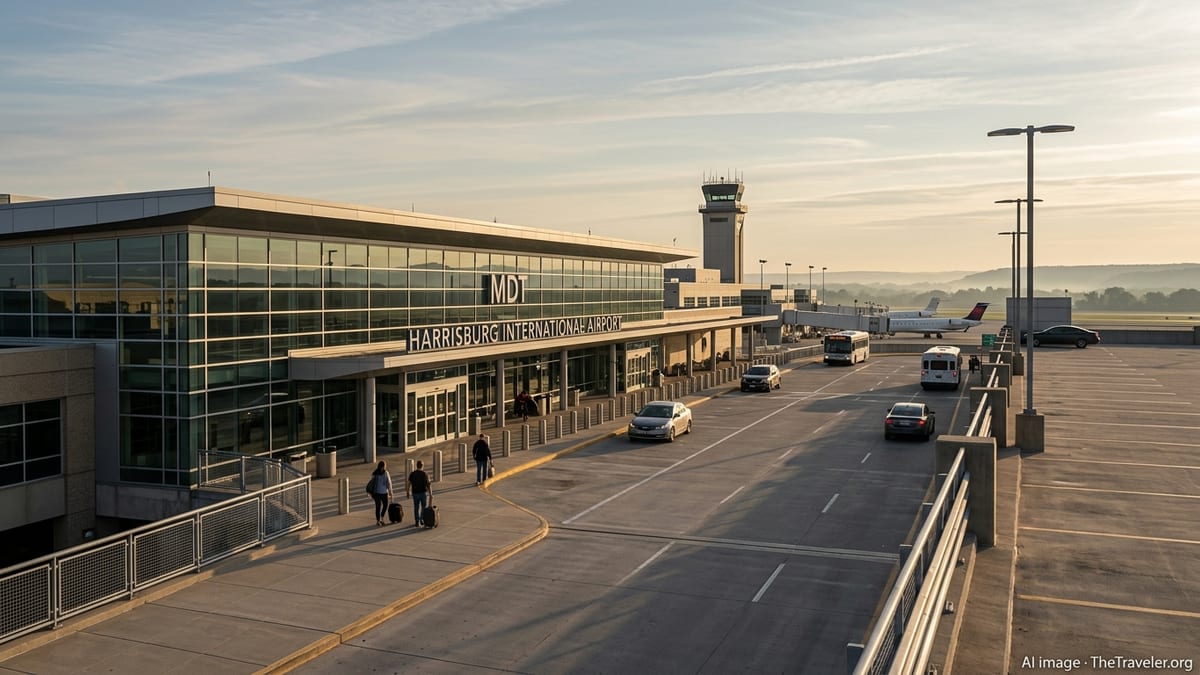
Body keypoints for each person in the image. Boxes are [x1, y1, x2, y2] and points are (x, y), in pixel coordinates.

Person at [368, 460, 392, 526]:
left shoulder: (375, 473)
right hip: (380, 493)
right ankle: (380, 519)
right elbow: (388, 483)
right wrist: (390, 492)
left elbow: (388, 483)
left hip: (379, 493)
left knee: (382, 506)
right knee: (380, 506)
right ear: (383, 466)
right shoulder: (381, 473)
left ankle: (380, 519)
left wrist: (390, 491)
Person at [408, 460, 431, 528]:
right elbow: (428, 485)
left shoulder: (412, 474)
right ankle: (421, 519)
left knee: (416, 507)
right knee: (423, 506)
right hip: (423, 493)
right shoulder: (425, 474)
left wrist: (407, 491)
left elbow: (409, 483)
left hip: (415, 493)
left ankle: (417, 521)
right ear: (422, 466)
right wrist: (430, 493)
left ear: (416, 466)